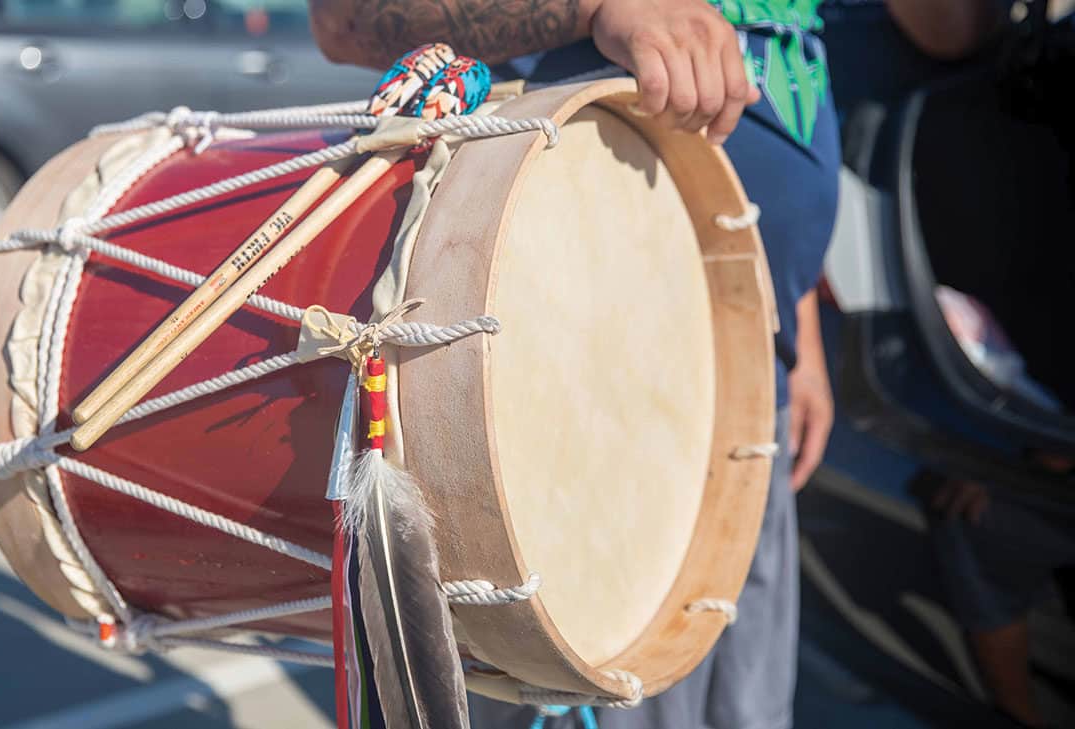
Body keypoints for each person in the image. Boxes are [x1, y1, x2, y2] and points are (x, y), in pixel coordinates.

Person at [304, 0, 1004, 726]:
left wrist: (796, 332)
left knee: (747, 711)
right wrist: (602, 8)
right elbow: (347, 20)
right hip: (567, 406)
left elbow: (927, 40)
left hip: (745, 383)